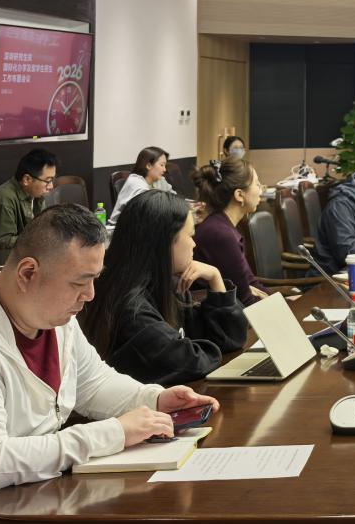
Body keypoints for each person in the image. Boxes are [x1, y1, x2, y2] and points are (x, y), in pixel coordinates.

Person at [0, 204, 218, 524]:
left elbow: (94, 384)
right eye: (80, 282)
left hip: (30, 503)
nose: (90, 295)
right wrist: (112, 433)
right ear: (28, 273)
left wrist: (154, 400)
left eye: (94, 279)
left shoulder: (52, 317)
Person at [80, 190, 247, 386]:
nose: (194, 244)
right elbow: (189, 362)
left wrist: (215, 278)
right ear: (165, 242)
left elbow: (230, 338)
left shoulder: (165, 286)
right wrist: (211, 346)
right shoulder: (132, 310)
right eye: (190, 235)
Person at [189, 158, 267, 306]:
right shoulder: (221, 234)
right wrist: (282, 306)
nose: (261, 190)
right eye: (257, 184)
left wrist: (282, 300)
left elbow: (250, 283)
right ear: (239, 195)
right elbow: (246, 299)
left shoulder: (223, 226)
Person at [0, 148, 57, 250]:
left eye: (52, 180)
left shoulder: (37, 195)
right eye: (48, 181)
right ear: (27, 179)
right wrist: (40, 239)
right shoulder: (3, 199)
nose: (51, 186)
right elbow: (2, 242)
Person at [109, 146, 175, 225]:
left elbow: (175, 199)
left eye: (165, 165)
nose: (164, 169)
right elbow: (149, 212)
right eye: (161, 165)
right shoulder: (135, 183)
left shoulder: (159, 180)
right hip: (123, 229)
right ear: (149, 166)